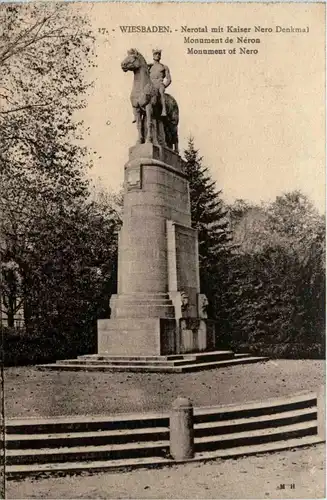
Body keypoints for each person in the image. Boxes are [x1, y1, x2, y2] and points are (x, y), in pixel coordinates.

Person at [149, 48, 171, 117]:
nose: (157, 55)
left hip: (159, 84)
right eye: (156, 54)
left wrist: (164, 85)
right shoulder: (149, 67)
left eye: (159, 54)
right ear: (153, 55)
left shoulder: (164, 67)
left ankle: (164, 110)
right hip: (151, 85)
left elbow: (169, 79)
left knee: (161, 92)